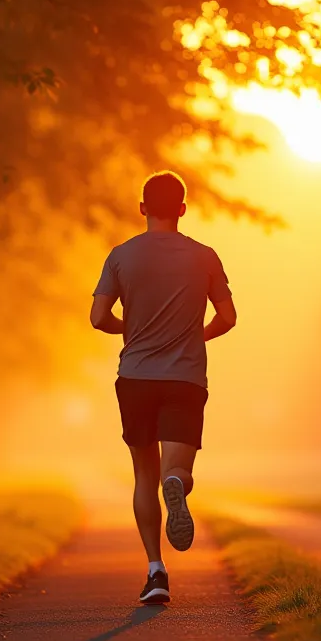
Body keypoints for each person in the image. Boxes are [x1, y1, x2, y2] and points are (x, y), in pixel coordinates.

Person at [90, 170, 238, 605]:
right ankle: (178, 482)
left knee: (143, 474)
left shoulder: (121, 256)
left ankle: (156, 571)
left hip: (135, 377)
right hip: (184, 378)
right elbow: (228, 317)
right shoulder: (205, 256)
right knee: (177, 470)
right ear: (182, 210)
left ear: (142, 209)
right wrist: (196, 335)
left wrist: (129, 329)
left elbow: (98, 318)